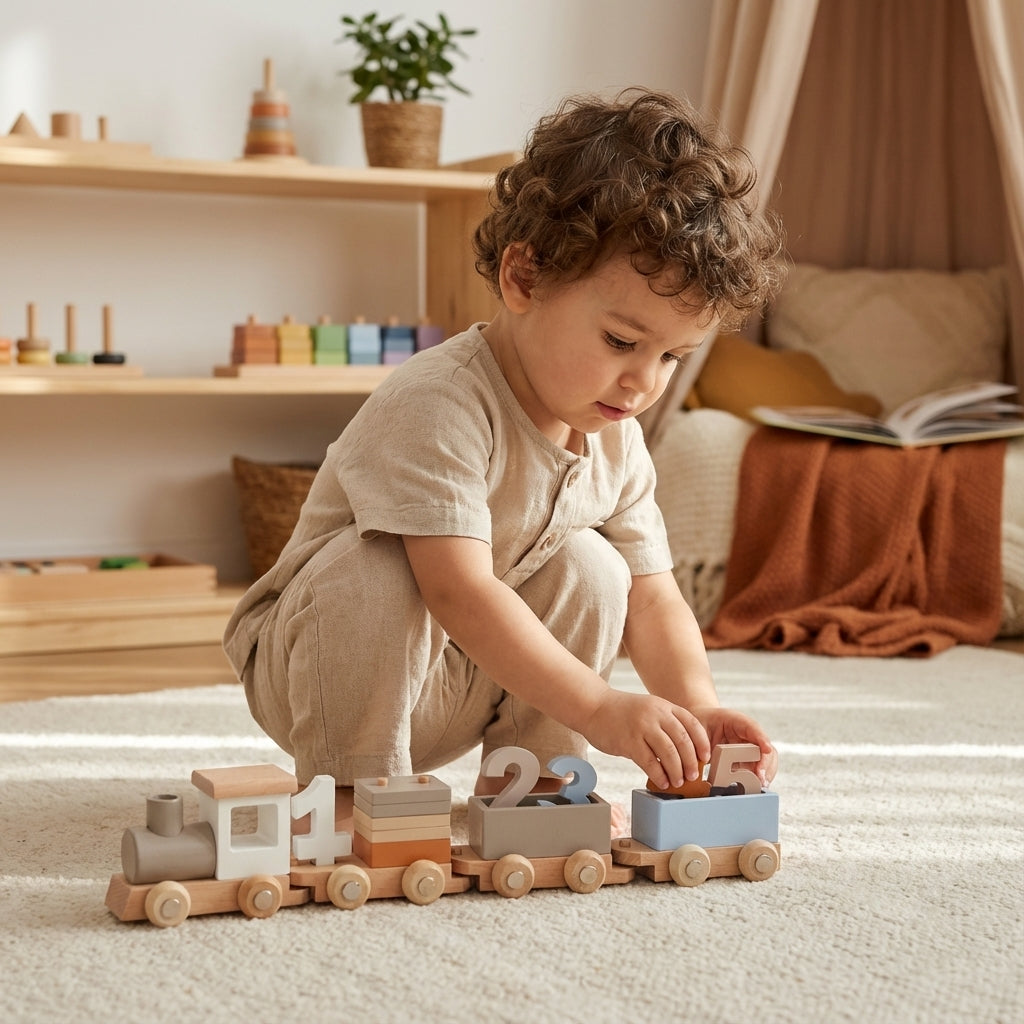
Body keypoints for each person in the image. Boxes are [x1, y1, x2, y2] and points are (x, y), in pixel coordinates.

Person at [223, 89, 783, 817]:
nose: (644, 381)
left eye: (673, 355)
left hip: (464, 677)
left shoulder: (617, 436)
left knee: (597, 567)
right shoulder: (440, 403)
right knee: (380, 567)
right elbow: (459, 589)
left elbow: (654, 597)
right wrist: (603, 707)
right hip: (323, 670)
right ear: (524, 279)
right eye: (621, 341)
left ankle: (535, 782)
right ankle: (351, 790)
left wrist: (697, 708)